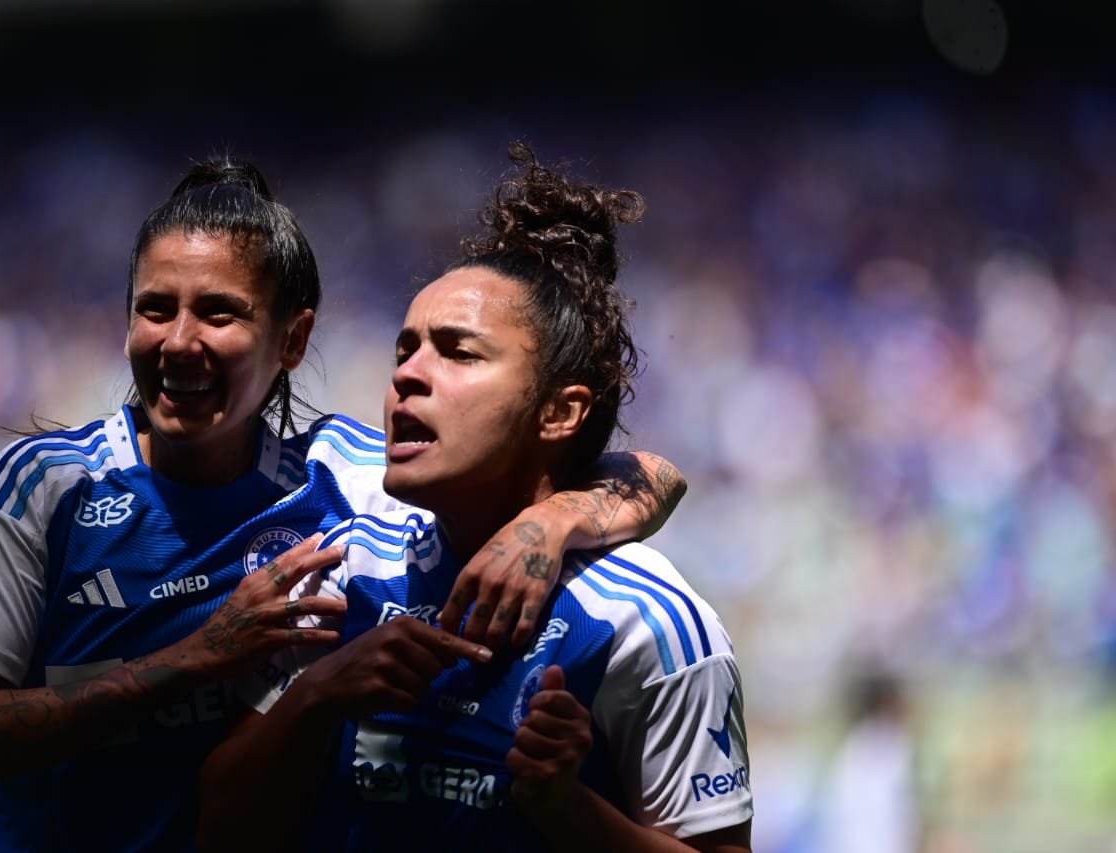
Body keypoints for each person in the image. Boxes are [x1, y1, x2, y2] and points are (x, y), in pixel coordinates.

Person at [0, 154, 687, 851]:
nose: (178, 340)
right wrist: (199, 657)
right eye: (155, 308)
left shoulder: (341, 474)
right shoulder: (45, 486)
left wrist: (545, 524)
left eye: (218, 313)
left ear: (292, 339)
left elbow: (646, 472)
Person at [197, 142, 753, 852]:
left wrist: (562, 805)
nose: (407, 375)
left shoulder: (649, 623)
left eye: (457, 352)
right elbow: (218, 824)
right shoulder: (345, 557)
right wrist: (316, 694)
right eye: (406, 349)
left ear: (560, 412)